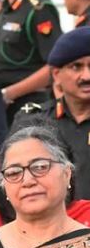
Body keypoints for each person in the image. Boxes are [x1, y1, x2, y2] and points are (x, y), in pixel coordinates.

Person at [13, 27, 90, 199]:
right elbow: (12, 181)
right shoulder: (32, 121)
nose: (86, 76)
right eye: (76, 67)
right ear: (56, 74)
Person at [0, 0, 62, 123]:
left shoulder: (38, 7)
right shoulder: (7, 5)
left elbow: (55, 65)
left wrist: (10, 93)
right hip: (3, 105)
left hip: (27, 106)